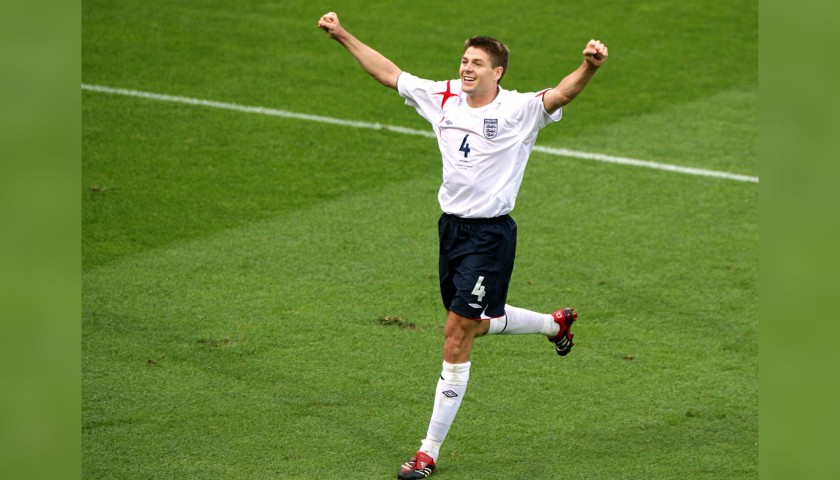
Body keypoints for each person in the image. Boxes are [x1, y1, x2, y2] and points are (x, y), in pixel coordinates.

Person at [317, 11, 608, 479]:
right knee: (474, 322)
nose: (467, 68)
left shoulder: (518, 109)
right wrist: (341, 35)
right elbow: (389, 74)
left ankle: (427, 452)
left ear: (498, 72)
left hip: (490, 235)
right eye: (464, 60)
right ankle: (555, 324)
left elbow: (562, 92)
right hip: (450, 231)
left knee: (456, 334)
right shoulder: (444, 96)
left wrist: (590, 66)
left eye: (477, 63)